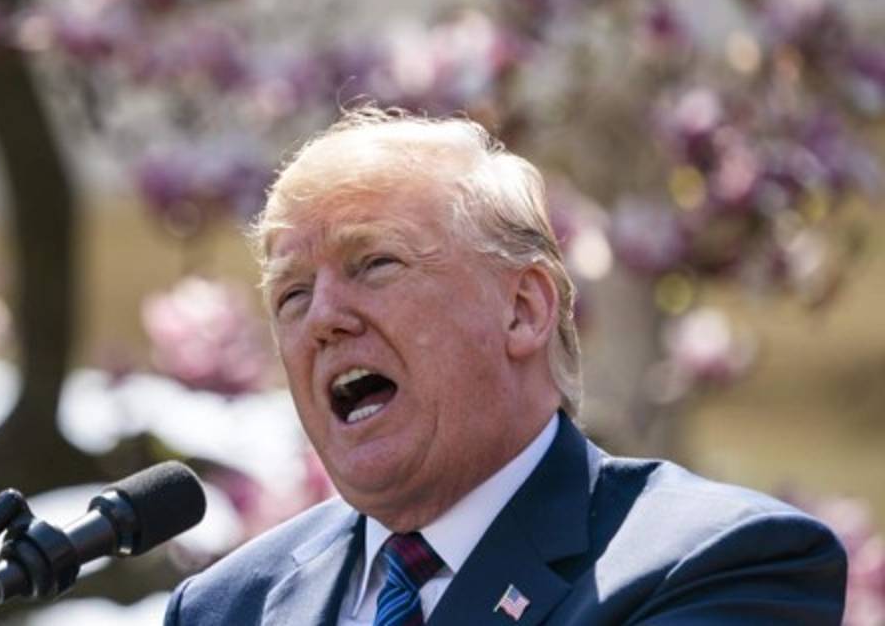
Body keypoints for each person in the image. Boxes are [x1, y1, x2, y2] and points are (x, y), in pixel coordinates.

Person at [163, 108, 847, 625]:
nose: (322, 319)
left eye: (374, 264)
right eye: (292, 295)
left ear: (522, 309)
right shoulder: (223, 608)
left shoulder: (719, 561)